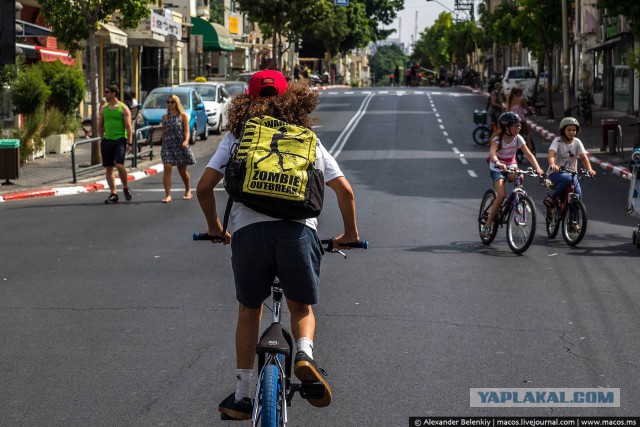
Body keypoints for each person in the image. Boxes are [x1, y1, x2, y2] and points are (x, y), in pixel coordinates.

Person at [196, 70, 360, 420]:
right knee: (300, 308)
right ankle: (304, 354)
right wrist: (350, 234)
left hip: (249, 236)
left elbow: (204, 188)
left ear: (247, 100)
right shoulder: (306, 138)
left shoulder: (237, 136)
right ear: (291, 99)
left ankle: (242, 395)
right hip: (297, 235)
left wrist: (216, 228)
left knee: (249, 311)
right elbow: (344, 190)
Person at [480, 112, 544, 239]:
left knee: (520, 176)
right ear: (506, 127)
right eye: (515, 126)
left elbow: (529, 154)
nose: (518, 128)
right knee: (502, 195)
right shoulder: (498, 139)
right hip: (497, 167)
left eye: (519, 125)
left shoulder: (518, 138)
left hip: (511, 165)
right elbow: (492, 154)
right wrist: (498, 162)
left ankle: (518, 200)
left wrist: (538, 168)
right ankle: (487, 225)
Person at [543, 117, 596, 209]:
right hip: (556, 173)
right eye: (569, 130)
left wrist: (590, 169)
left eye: (574, 130)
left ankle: (574, 221)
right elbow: (551, 154)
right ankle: (553, 197)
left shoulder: (577, 142)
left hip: (572, 174)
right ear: (563, 130)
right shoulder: (557, 141)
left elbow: (583, 158)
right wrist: (552, 165)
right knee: (568, 180)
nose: (571, 132)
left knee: (578, 195)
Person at [98, 84, 133, 204]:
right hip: (107, 140)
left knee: (119, 165)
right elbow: (100, 124)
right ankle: (113, 193)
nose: (105, 94)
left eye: (107, 92)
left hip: (120, 140)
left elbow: (129, 127)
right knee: (108, 168)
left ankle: (125, 187)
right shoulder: (103, 108)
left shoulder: (123, 108)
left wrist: (129, 143)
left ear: (114, 93)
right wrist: (102, 138)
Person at [160, 94, 196, 203]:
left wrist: (186, 141)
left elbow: (186, 131)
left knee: (182, 171)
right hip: (168, 145)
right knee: (167, 168)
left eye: (172, 102)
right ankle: (168, 195)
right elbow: (163, 131)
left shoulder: (183, 116)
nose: (170, 104)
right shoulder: (165, 117)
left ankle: (188, 189)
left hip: (180, 145)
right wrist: (161, 144)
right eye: (168, 102)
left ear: (176, 103)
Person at [507, 87, 535, 154]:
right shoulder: (522, 100)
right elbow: (527, 109)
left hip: (512, 121)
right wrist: (531, 111)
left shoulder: (510, 100)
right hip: (520, 121)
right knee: (527, 133)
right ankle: (530, 148)